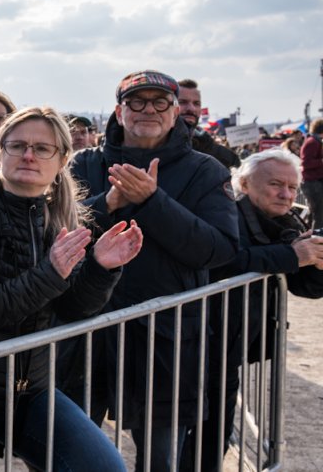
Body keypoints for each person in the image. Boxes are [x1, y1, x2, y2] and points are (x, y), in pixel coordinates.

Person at [0, 107, 142, 472]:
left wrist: (101, 269)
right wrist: (52, 272)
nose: (28, 155)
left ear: (62, 160)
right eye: (17, 145)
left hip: (30, 387)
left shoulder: (60, 219)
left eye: (42, 148)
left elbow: (71, 309)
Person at [68, 70, 238, 472]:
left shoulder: (205, 171)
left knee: (161, 460)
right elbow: (56, 233)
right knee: (72, 451)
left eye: (159, 102)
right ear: (118, 111)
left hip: (168, 337)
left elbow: (219, 250)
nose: (148, 110)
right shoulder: (85, 163)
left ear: (176, 111)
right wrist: (106, 202)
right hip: (86, 332)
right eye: (136, 102)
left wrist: (152, 200)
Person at [186, 149, 323, 472]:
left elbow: (307, 287)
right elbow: (224, 262)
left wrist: (315, 262)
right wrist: (289, 256)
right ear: (245, 184)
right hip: (201, 341)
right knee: (194, 436)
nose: (286, 194)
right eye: (276, 184)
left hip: (231, 347)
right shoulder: (226, 215)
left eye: (292, 187)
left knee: (215, 434)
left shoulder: (286, 223)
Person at [177, 78, 240, 169]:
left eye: (196, 103)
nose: (191, 108)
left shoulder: (225, 158)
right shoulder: (154, 149)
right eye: (182, 102)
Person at [302, 118, 323, 229]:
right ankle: (317, 240)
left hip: (313, 181)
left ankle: (310, 235)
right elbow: (306, 163)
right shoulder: (313, 142)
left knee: (315, 213)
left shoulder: (314, 141)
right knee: (319, 214)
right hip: (313, 182)